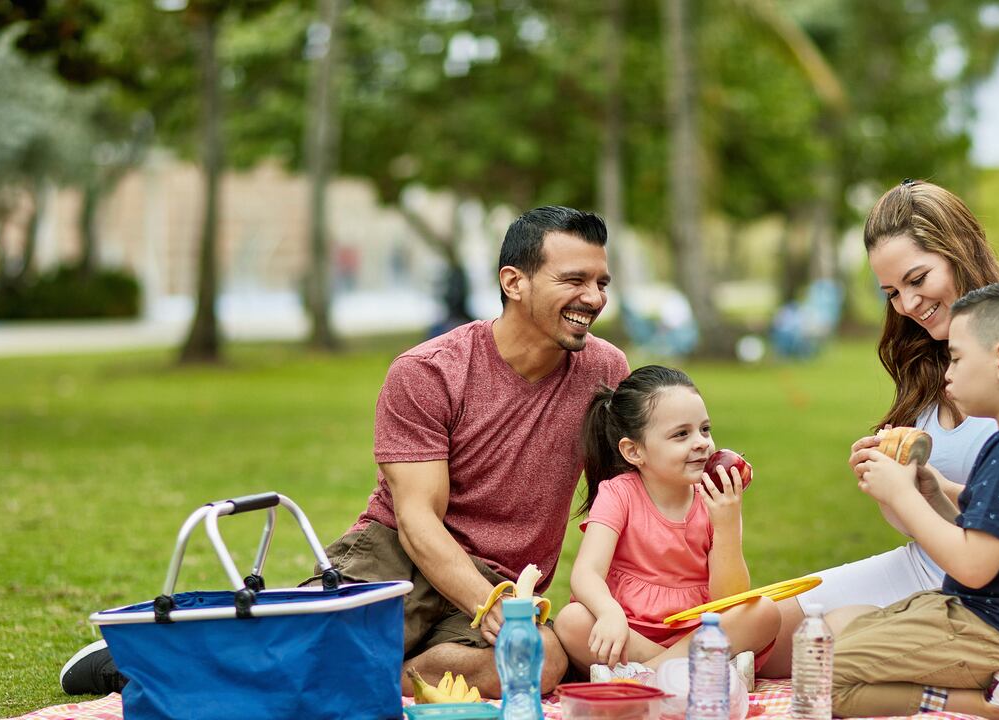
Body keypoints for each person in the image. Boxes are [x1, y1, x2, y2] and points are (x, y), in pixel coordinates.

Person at [58, 206, 630, 698]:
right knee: (290, 643)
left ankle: (324, 677)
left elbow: (625, 495)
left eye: (602, 282)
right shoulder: (428, 372)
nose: (593, 297)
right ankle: (137, 661)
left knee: (544, 663)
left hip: (506, 577)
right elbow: (416, 520)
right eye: (574, 279)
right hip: (397, 553)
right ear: (514, 281)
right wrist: (496, 610)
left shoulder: (605, 371)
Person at [761, 180, 999, 682]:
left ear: (959, 251)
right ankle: (641, 675)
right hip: (933, 570)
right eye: (892, 292)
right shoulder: (938, 360)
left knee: (826, 663)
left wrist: (923, 497)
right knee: (759, 631)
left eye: (917, 278)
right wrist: (895, 485)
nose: (907, 304)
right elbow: (922, 522)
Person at [830, 281, 999, 718]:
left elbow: (972, 566)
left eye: (956, 358)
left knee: (827, 676)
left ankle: (993, 706)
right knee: (842, 631)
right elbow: (990, 538)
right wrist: (932, 490)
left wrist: (899, 494)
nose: (947, 373)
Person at [553, 365, 780, 689]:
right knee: (572, 621)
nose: (702, 443)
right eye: (681, 434)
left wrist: (728, 526)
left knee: (765, 613)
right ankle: (702, 673)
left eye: (704, 429)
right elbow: (586, 573)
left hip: (697, 627)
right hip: (629, 626)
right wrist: (608, 613)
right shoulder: (619, 493)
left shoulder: (716, 499)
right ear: (635, 451)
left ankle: (647, 678)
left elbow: (729, 598)